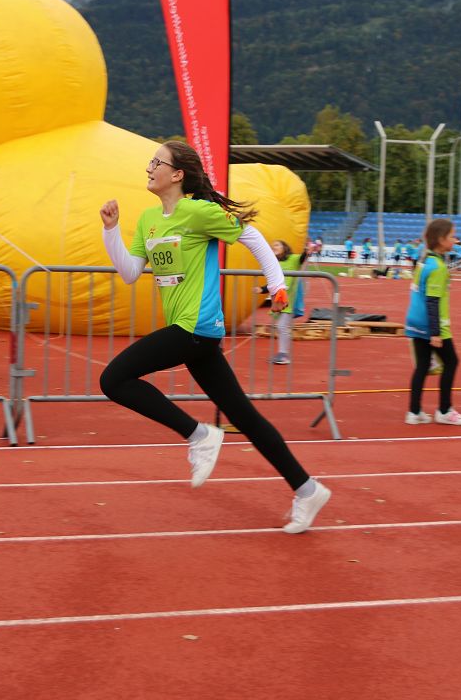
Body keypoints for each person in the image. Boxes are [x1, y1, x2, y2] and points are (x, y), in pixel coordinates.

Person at [98, 141, 331, 534]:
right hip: (192, 335)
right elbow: (129, 272)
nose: (149, 167)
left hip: (196, 327)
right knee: (244, 417)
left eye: (157, 162)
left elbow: (252, 238)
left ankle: (198, 434)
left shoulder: (199, 212)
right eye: (150, 161)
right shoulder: (150, 219)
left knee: (113, 379)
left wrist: (277, 285)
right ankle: (307, 489)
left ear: (177, 174)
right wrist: (110, 230)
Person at [404, 219, 461, 426]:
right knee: (452, 362)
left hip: (414, 321)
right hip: (431, 324)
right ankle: (444, 410)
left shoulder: (424, 260)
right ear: (441, 240)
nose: (455, 240)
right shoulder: (438, 267)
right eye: (452, 236)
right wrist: (435, 332)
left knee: (422, 366)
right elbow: (432, 300)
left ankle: (414, 412)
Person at [263, 239, 307, 365]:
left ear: (284, 247)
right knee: (281, 326)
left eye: (277, 245)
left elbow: (301, 259)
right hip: (279, 301)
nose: (274, 247)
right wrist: (261, 289)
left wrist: (307, 251)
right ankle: (282, 353)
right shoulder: (275, 263)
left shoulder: (292, 258)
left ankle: (284, 355)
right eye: (272, 246)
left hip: (290, 300)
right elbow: (272, 283)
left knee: (282, 326)